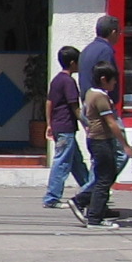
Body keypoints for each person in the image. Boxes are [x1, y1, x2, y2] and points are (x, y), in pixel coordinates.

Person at [70, 62, 132, 228]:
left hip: (96, 140)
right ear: (104, 79)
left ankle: (83, 202)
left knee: (104, 177)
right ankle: (93, 216)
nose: (115, 83)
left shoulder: (90, 93)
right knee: (104, 179)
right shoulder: (100, 97)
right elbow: (111, 123)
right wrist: (125, 145)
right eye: (113, 80)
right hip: (101, 141)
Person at [43, 45, 89, 210]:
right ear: (72, 63)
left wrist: (49, 124)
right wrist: (87, 124)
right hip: (66, 127)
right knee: (62, 162)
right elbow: (75, 107)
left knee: (77, 162)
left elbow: (49, 103)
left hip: (58, 125)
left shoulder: (56, 80)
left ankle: (90, 190)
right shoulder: (69, 82)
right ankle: (52, 198)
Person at [79, 14, 120, 96]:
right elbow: (107, 79)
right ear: (113, 32)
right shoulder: (105, 51)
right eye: (119, 32)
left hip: (88, 99)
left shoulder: (86, 49)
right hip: (101, 100)